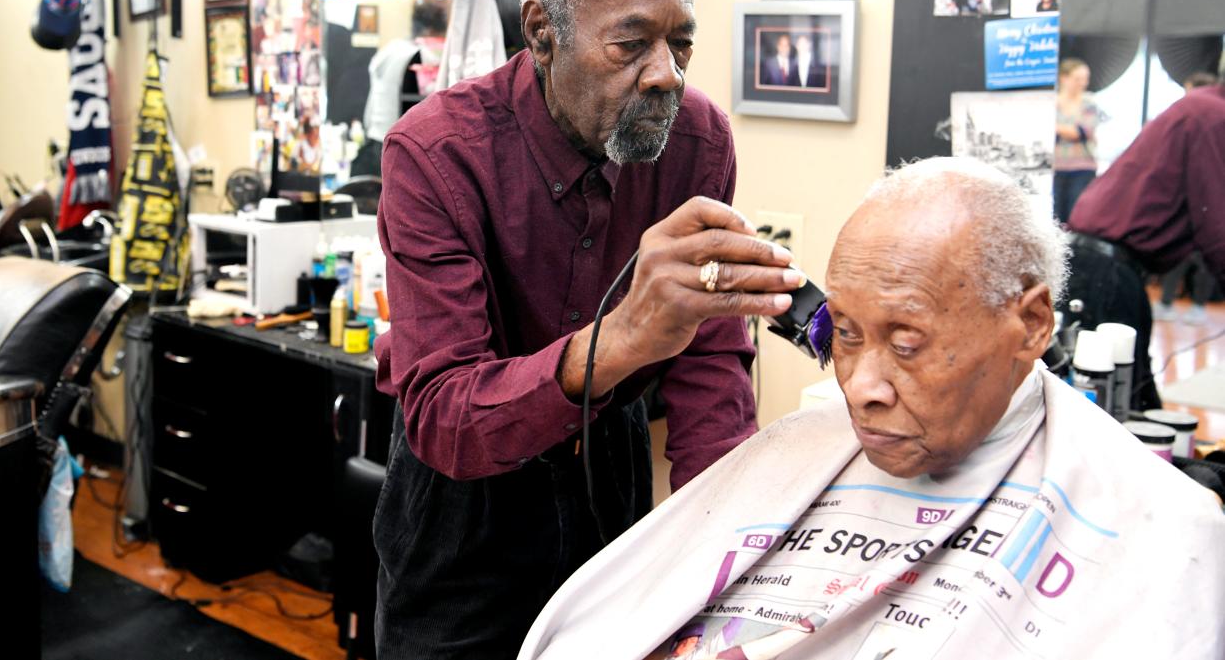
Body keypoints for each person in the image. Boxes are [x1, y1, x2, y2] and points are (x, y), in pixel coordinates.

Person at [518, 157, 1225, 660]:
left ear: (1033, 323)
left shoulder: (1166, 527)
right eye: (846, 335)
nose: (862, 385)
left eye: (908, 341)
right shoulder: (808, 443)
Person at [372, 0, 804, 660]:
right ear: (542, 32)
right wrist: (626, 337)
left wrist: (725, 568)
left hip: (608, 463)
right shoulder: (435, 152)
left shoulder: (697, 140)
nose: (666, 75)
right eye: (632, 44)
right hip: (460, 498)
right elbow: (441, 414)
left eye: (681, 44)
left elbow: (708, 360)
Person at [1069, 73, 1225, 410]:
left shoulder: (1201, 109)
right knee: (1118, 409)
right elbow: (1217, 228)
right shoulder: (1212, 116)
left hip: (1105, 263)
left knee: (1130, 401)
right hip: (1106, 269)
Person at [1154, 71, 1221, 326]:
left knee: (1204, 256)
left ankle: (1198, 306)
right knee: (1178, 255)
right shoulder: (1181, 120)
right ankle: (1167, 302)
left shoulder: (1211, 120)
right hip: (1184, 205)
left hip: (1207, 205)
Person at [1052, 57, 1101, 223]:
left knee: (1076, 216)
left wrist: (1055, 127)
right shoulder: (1050, 103)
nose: (1083, 83)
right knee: (1055, 216)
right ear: (1063, 78)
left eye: (1085, 79)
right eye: (1077, 79)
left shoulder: (1090, 103)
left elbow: (1081, 132)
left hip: (1083, 168)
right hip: (1054, 168)